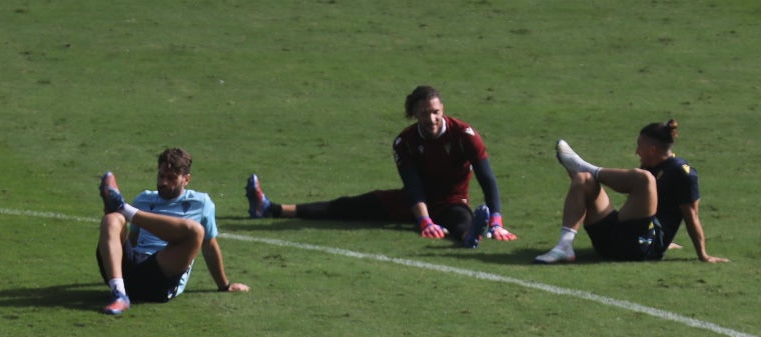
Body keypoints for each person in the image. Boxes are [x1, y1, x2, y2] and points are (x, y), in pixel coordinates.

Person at [244, 85, 518, 247]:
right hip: (410, 203)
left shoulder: (465, 135)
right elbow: (413, 187)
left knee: (461, 221)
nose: (432, 119)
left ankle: (471, 236)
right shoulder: (405, 142)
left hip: (451, 202)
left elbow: (487, 178)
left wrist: (497, 222)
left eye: (435, 112)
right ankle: (269, 208)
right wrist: (424, 221)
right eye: (425, 113)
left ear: (442, 109)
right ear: (415, 114)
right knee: (345, 206)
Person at [534, 120, 724, 265]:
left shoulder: (683, 173)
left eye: (639, 147)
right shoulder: (650, 166)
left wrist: (703, 255)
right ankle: (564, 246)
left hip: (640, 248)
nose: (636, 152)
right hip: (612, 242)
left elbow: (692, 216)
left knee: (644, 179)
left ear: (652, 149)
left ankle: (585, 166)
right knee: (583, 179)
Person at [96, 148, 248, 317]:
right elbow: (132, 240)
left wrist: (224, 285)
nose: (163, 182)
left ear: (186, 179)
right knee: (111, 219)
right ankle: (119, 294)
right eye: (161, 176)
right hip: (130, 273)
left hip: (160, 277)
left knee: (195, 231)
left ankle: (124, 208)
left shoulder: (201, 203)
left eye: (171, 178)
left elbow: (209, 246)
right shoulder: (143, 199)